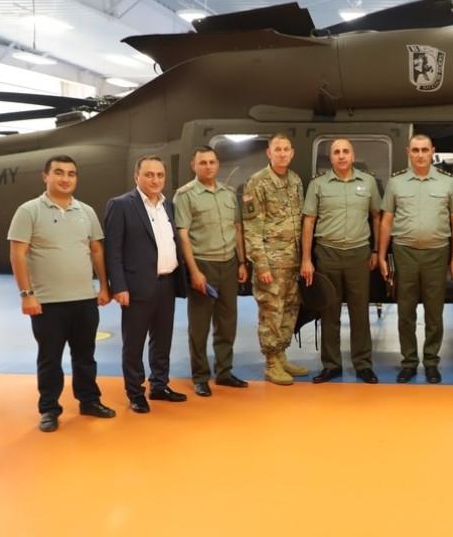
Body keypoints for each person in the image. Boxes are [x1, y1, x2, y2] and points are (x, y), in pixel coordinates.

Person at [8, 155, 116, 432]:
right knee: (49, 359)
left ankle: (89, 401)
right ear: (45, 176)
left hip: (84, 300)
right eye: (58, 172)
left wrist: (104, 287)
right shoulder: (28, 211)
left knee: (85, 356)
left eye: (71, 174)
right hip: (47, 303)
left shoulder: (86, 211)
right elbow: (18, 254)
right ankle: (49, 409)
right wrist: (26, 294)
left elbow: (96, 250)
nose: (65, 178)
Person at [105, 155, 187, 413]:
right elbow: (113, 251)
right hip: (136, 286)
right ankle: (135, 392)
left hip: (167, 283)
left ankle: (159, 385)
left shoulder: (168, 205)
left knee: (162, 340)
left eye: (160, 175)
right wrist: (119, 286)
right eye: (149, 174)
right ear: (136, 176)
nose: (155, 180)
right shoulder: (121, 205)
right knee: (134, 344)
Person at [378, 134, 453, 384]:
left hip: (437, 253)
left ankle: (431, 362)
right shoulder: (396, 183)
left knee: (434, 312)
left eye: (425, 150)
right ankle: (409, 362)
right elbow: (386, 221)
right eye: (415, 150)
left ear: (432, 151)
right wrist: (381, 256)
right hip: (404, 252)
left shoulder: (447, 183)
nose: (420, 155)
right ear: (408, 152)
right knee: (405, 311)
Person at [301, 138, 382, 384]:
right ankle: (331, 365)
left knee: (360, 313)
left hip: (359, 254)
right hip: (328, 254)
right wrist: (306, 259)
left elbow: (376, 217)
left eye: (346, 151)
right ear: (331, 157)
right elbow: (309, 221)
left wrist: (376, 251)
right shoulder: (318, 184)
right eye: (336, 152)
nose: (341, 155)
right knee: (329, 312)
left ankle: (363, 365)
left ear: (353, 155)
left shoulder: (367, 182)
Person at [174, 146, 250, 397]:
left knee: (227, 323)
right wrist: (194, 271)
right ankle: (200, 377)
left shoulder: (228, 193)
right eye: (203, 162)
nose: (208, 166)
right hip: (203, 265)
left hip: (228, 264)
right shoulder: (185, 195)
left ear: (218, 164)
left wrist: (241, 261)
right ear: (193, 166)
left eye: (212, 162)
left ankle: (225, 372)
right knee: (199, 326)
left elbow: (236, 228)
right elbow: (183, 235)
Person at [243, 133, 307, 386]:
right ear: (269, 153)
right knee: (271, 312)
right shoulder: (257, 182)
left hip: (293, 261)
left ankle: (281, 356)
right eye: (277, 149)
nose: (282, 153)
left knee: (290, 310)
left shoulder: (295, 180)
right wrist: (261, 264)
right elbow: (252, 228)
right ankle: (271, 363)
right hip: (271, 262)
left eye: (286, 149)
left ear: (292, 153)